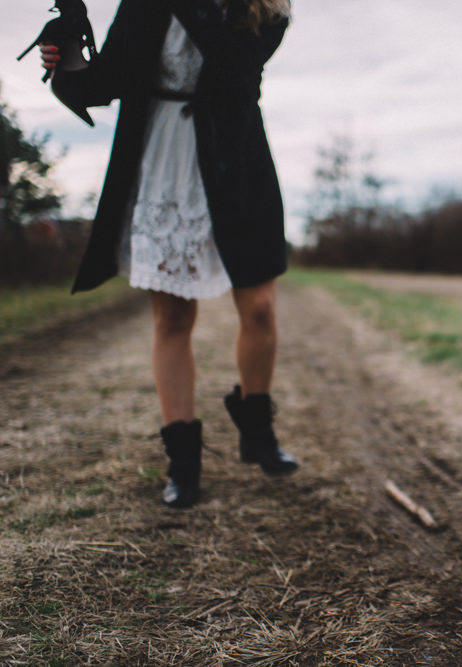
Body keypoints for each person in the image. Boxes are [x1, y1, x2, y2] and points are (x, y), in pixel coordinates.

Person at [40, 0, 298, 509]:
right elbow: (100, 83)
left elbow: (232, 65)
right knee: (173, 317)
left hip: (235, 159)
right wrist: (65, 51)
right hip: (161, 159)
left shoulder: (266, 8)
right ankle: (183, 461)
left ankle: (256, 428)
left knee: (261, 309)